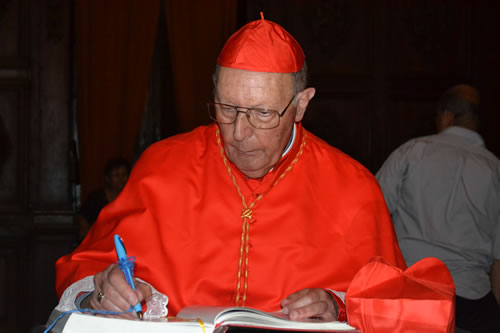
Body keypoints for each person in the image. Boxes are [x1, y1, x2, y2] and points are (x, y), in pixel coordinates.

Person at [55, 14, 406, 323]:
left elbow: (396, 305)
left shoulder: (353, 187)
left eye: (262, 114)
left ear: (301, 105)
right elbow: (82, 270)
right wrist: (99, 292)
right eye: (226, 108)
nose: (239, 133)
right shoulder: (161, 167)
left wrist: (338, 305)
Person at [376, 84, 500, 331]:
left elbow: (370, 215)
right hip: (471, 301)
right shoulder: (495, 169)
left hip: (410, 292)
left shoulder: (412, 152)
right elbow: (499, 261)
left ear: (445, 116)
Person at [78, 158, 131, 239]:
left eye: (124, 175)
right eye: (116, 175)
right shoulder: (96, 199)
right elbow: (83, 220)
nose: (121, 179)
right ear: (107, 178)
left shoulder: (132, 198)